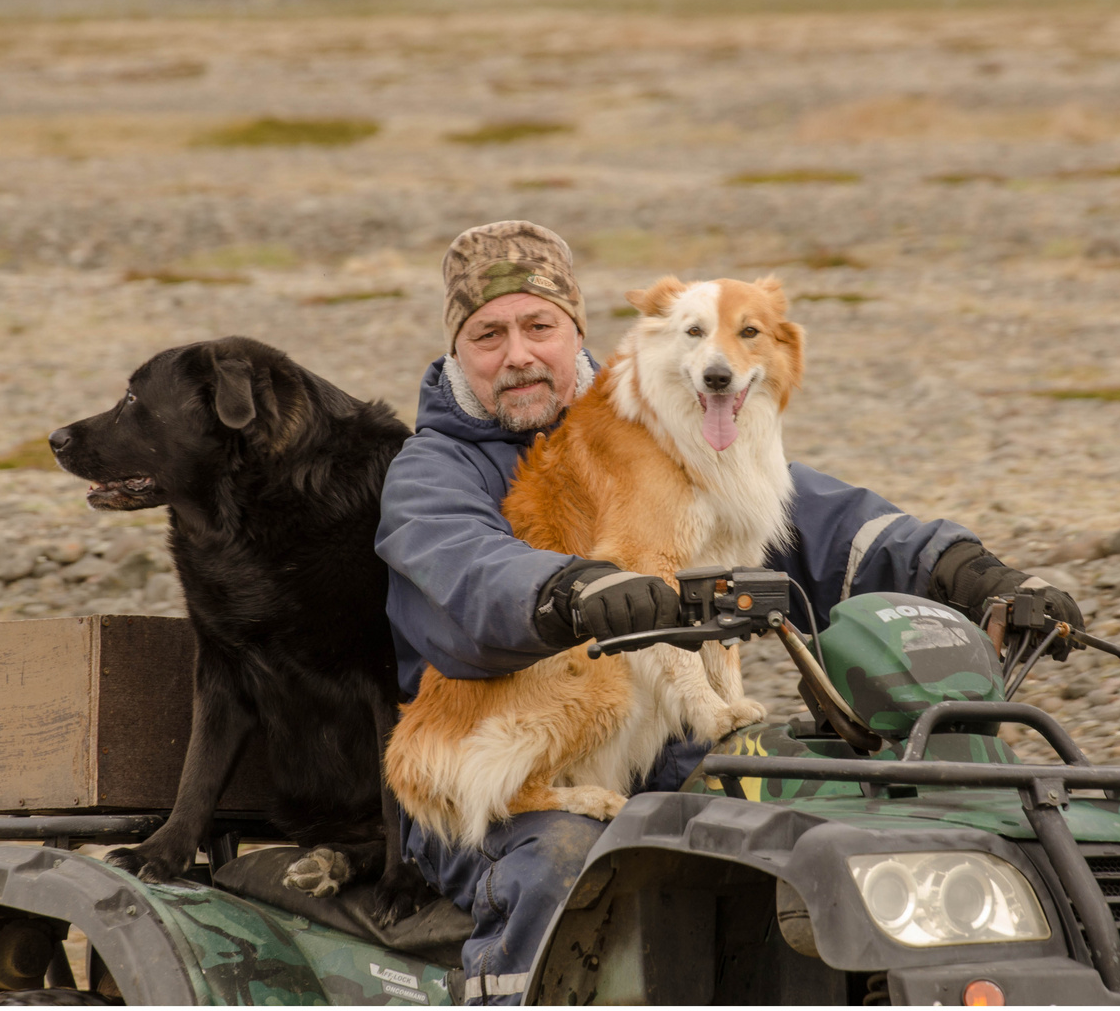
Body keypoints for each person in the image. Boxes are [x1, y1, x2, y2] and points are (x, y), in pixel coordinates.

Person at [375, 220, 1082, 1004]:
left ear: (575, 331)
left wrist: (970, 573)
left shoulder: (659, 421)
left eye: (538, 327)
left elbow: (828, 521)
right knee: (560, 858)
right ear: (455, 350)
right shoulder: (431, 473)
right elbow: (465, 572)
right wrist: (571, 589)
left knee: (851, 818)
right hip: (493, 765)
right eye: (487, 335)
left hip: (663, 760)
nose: (516, 355)